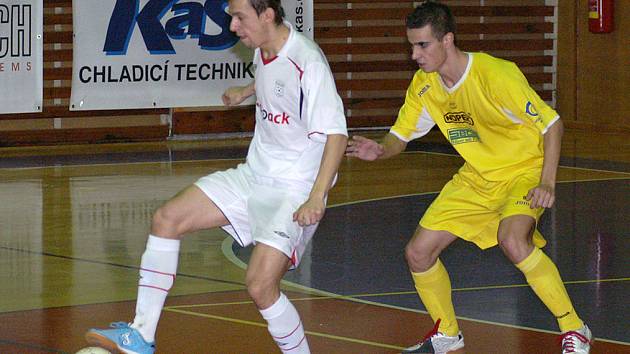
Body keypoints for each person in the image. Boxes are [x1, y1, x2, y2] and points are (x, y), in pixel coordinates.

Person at [85, 0, 347, 353]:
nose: (233, 27)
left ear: (267, 14)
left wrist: (316, 197)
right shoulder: (263, 50)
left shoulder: (309, 61)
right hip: (253, 175)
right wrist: (246, 91)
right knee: (167, 218)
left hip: (294, 192)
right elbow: (273, 77)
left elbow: (336, 134)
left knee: (260, 287)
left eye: (240, 18)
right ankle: (141, 335)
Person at [345, 2, 591, 354]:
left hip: (523, 171)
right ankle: (447, 334)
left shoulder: (496, 75)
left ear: (447, 40)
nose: (414, 54)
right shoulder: (425, 85)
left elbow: (552, 125)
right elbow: (401, 135)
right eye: (411, 46)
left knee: (513, 240)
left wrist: (547, 182)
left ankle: (575, 328)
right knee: (418, 253)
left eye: (422, 45)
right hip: (476, 178)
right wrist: (381, 149)